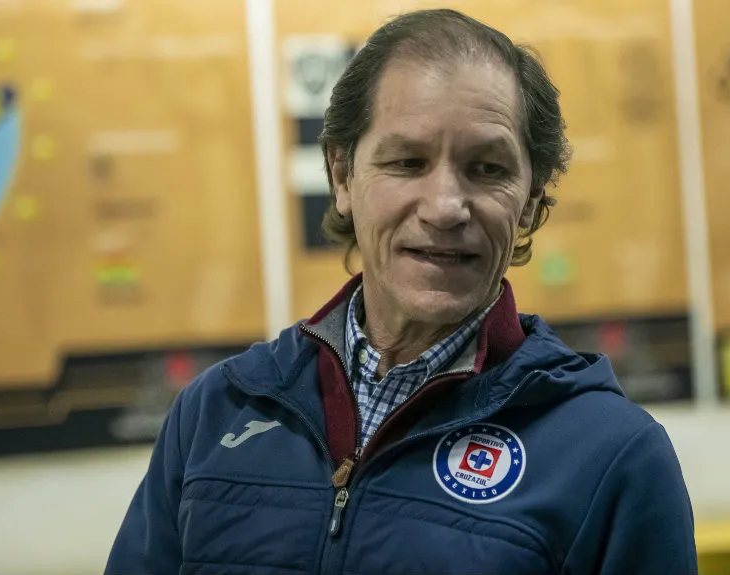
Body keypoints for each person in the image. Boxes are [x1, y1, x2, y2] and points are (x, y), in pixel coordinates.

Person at [105, 8, 697, 575]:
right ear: (342, 176)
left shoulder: (612, 456)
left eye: (488, 169)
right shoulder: (214, 414)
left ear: (531, 203)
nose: (445, 207)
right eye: (408, 161)